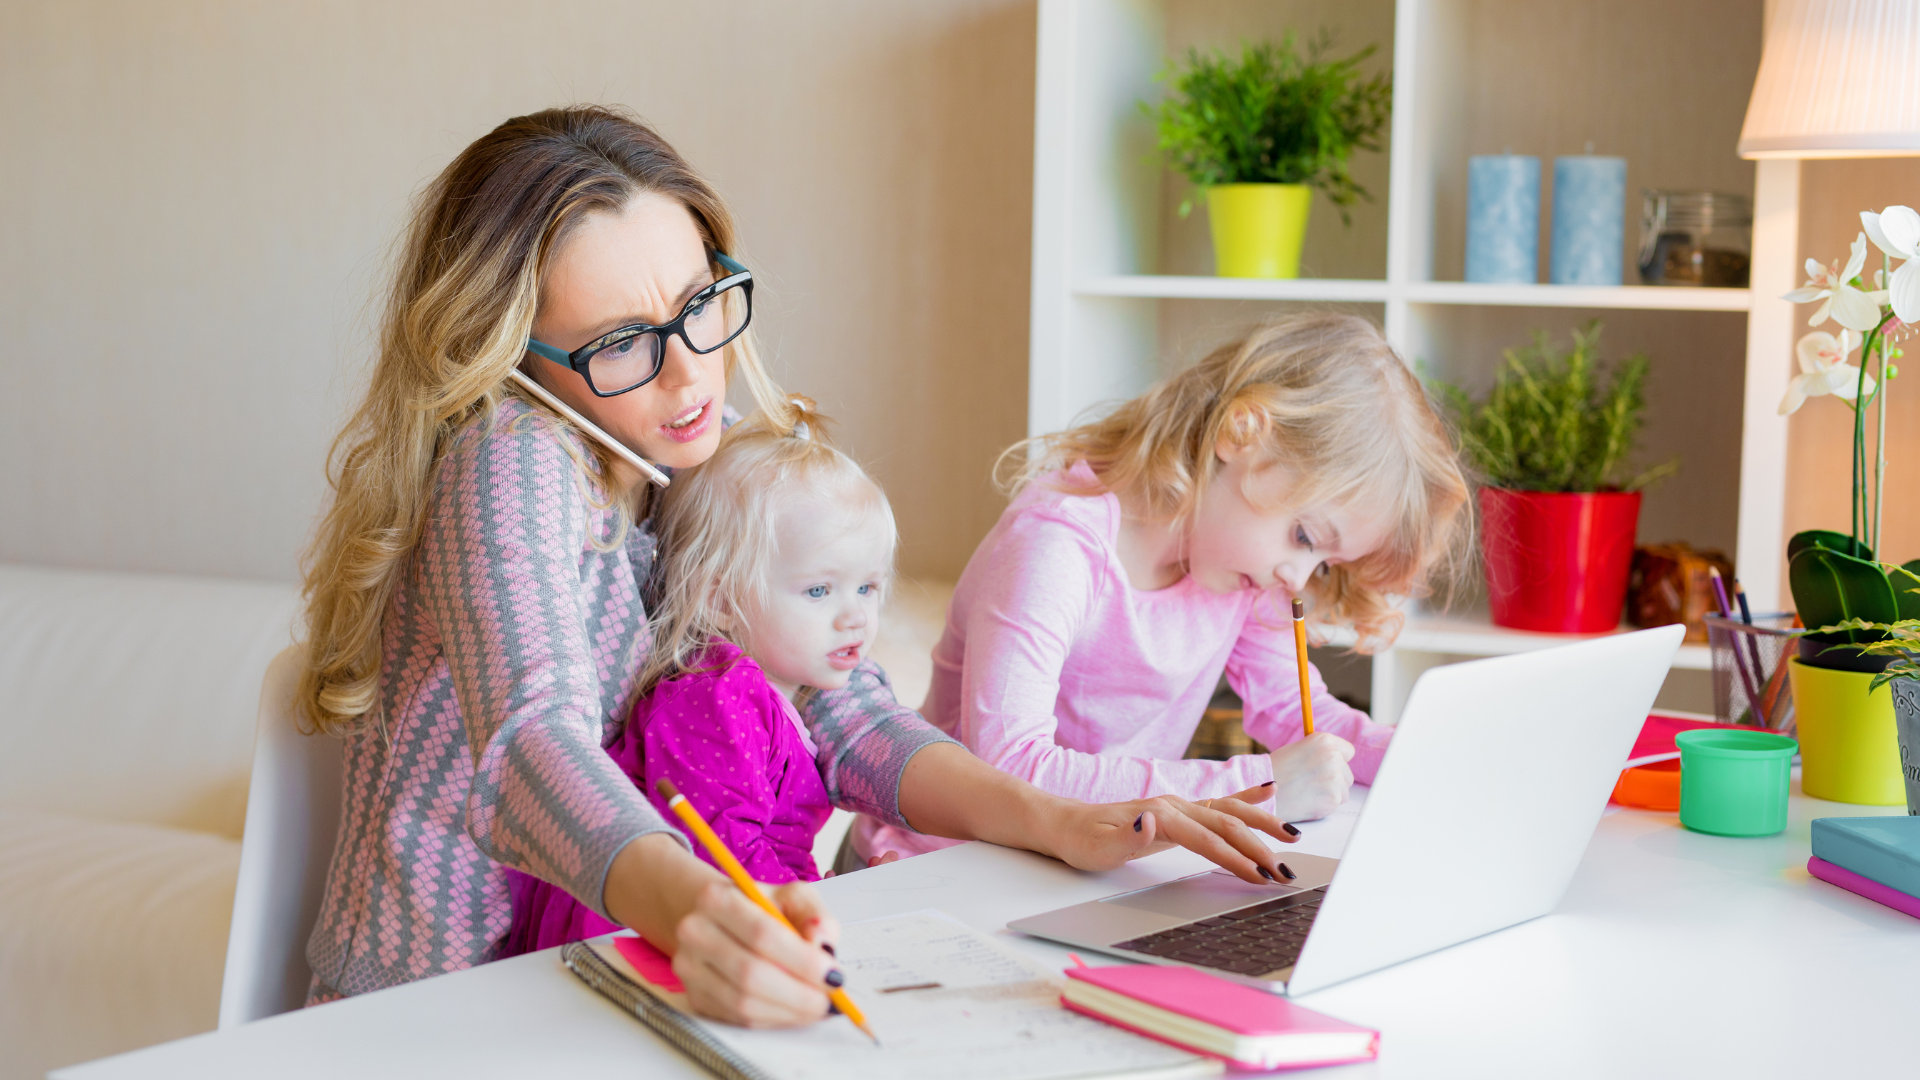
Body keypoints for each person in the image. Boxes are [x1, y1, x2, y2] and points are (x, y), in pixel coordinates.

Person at [297, 105, 1290, 1027]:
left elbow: (843, 709)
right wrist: (696, 914)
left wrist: (1056, 820)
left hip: (588, 967)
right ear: (513, 359)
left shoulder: (689, 444)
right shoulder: (509, 456)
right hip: (443, 1003)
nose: (690, 375)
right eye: (620, 346)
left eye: (699, 307)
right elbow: (531, 743)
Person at [850, 314, 1470, 869]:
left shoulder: (1239, 570)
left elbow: (1301, 715)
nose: (1299, 578)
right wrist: (1256, 784)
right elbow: (1010, 769)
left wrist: (1426, 755)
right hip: (933, 866)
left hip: (1084, 863)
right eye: (1306, 535)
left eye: (1327, 563)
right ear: (1241, 435)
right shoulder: (1059, 545)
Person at [504, 402, 957, 953]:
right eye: (819, 591)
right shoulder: (716, 696)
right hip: (627, 941)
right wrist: (822, 910)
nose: (855, 616)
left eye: (867, 588)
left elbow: (772, 854)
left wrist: (831, 897)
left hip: (725, 922)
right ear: (718, 598)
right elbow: (728, 853)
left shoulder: (777, 696)